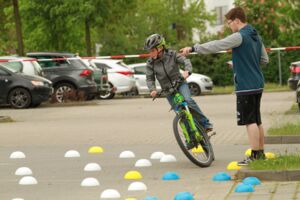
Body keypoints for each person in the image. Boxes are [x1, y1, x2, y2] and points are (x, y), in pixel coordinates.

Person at [180, 7, 269, 165]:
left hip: (245, 85)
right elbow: (264, 60)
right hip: (257, 83)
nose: (229, 26)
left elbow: (217, 45)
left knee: (249, 121)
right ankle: (260, 153)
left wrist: (194, 48)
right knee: (257, 120)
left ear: (237, 20)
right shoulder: (256, 36)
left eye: (229, 23)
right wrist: (239, 63)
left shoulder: (239, 36)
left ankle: (255, 155)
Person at [144, 33, 213, 148]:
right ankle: (190, 138)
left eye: (152, 50)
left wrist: (187, 71)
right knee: (180, 114)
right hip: (168, 90)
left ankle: (205, 123)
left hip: (180, 84)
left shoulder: (172, 54)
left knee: (188, 101)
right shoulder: (150, 63)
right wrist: (152, 89)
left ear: (160, 48)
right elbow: (149, 78)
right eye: (149, 51)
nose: (150, 53)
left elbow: (186, 61)